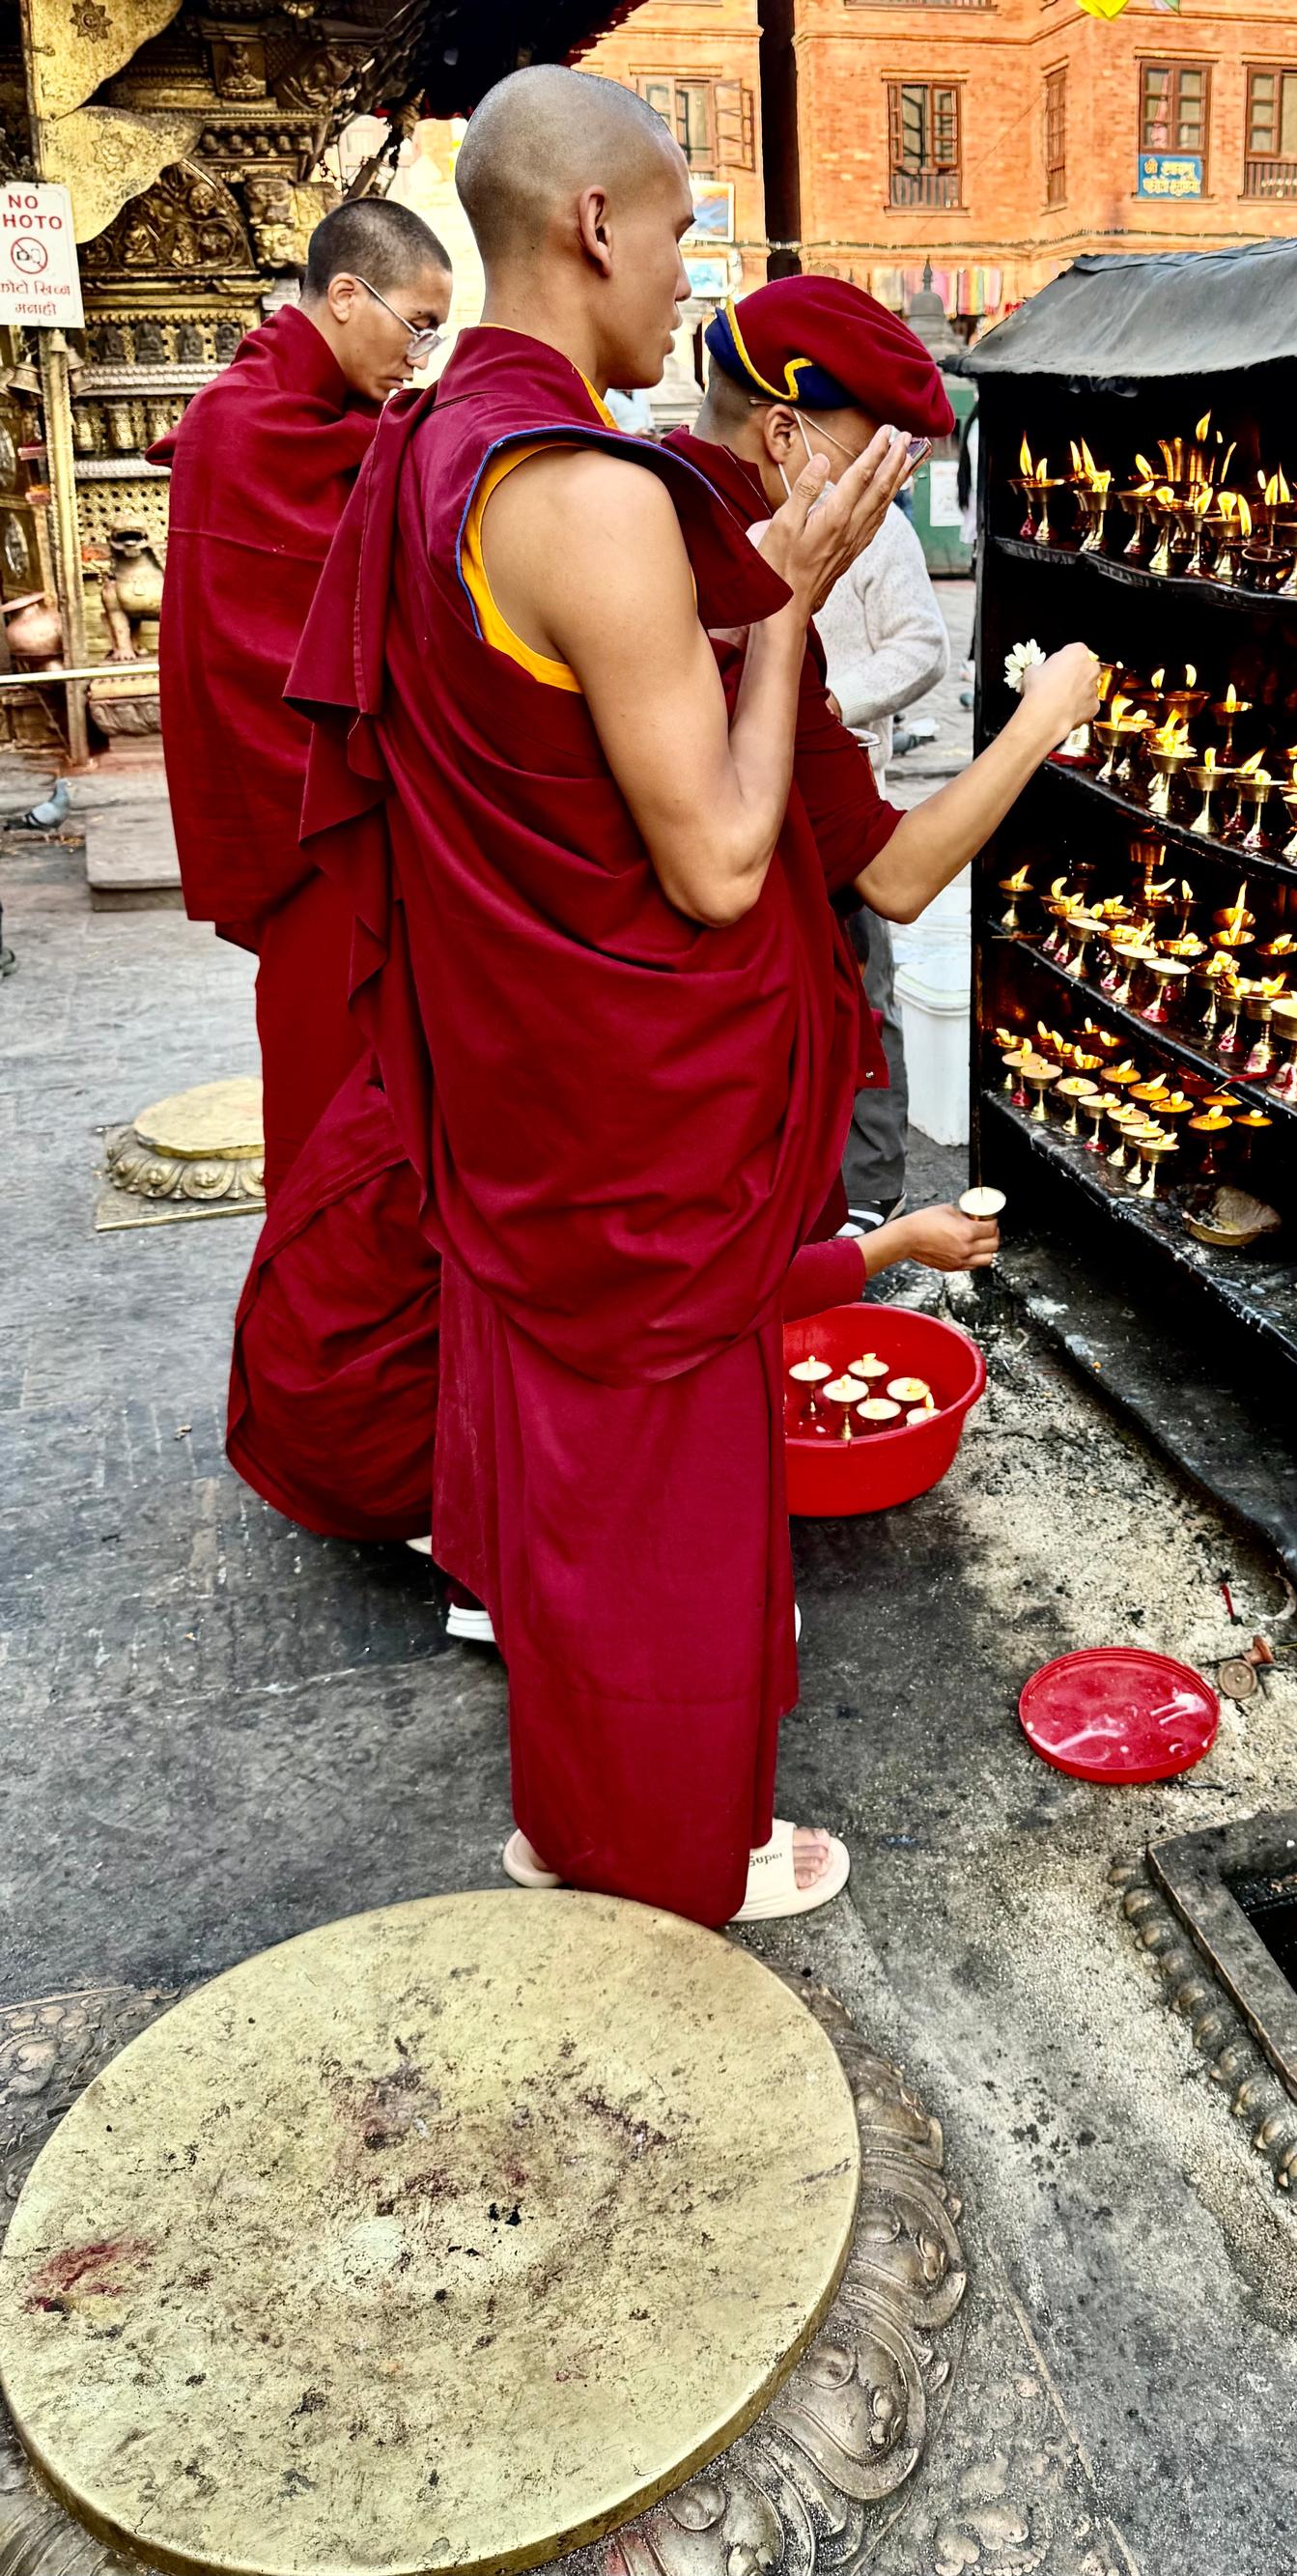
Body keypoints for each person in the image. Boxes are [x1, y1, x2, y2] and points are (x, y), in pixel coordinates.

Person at [289, 66, 917, 1927]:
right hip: (638, 1127)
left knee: (575, 1508)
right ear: (594, 225)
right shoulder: (588, 492)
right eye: (680, 232)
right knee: (663, 1516)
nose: (686, 275)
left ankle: (565, 1817)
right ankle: (663, 1856)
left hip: (515, 1083)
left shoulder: (425, 450)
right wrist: (784, 607)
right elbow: (719, 861)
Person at [151, 199, 452, 1196]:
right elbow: (253, 653)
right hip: (320, 815)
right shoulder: (243, 425)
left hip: (382, 811)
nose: (420, 353)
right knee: (334, 1106)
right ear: (346, 295)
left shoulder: (347, 425)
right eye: (417, 324)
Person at [817, 498, 951, 1237]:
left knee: (864, 987)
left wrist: (829, 702)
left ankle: (870, 1180)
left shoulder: (879, 526)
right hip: (751, 797)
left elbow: (923, 645)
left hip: (846, 800)